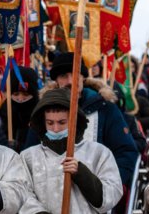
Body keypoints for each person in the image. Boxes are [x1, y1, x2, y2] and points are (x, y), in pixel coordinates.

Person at [26, 52, 137, 188]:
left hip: (95, 195)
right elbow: (30, 156)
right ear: (56, 80)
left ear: (83, 77)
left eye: (75, 75)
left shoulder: (104, 109)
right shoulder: (43, 111)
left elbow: (126, 152)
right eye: (63, 76)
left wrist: (107, 187)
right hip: (50, 195)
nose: (70, 81)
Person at [0, 65, 39, 152]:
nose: (20, 99)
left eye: (26, 95)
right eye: (16, 94)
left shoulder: (40, 113)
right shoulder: (3, 112)